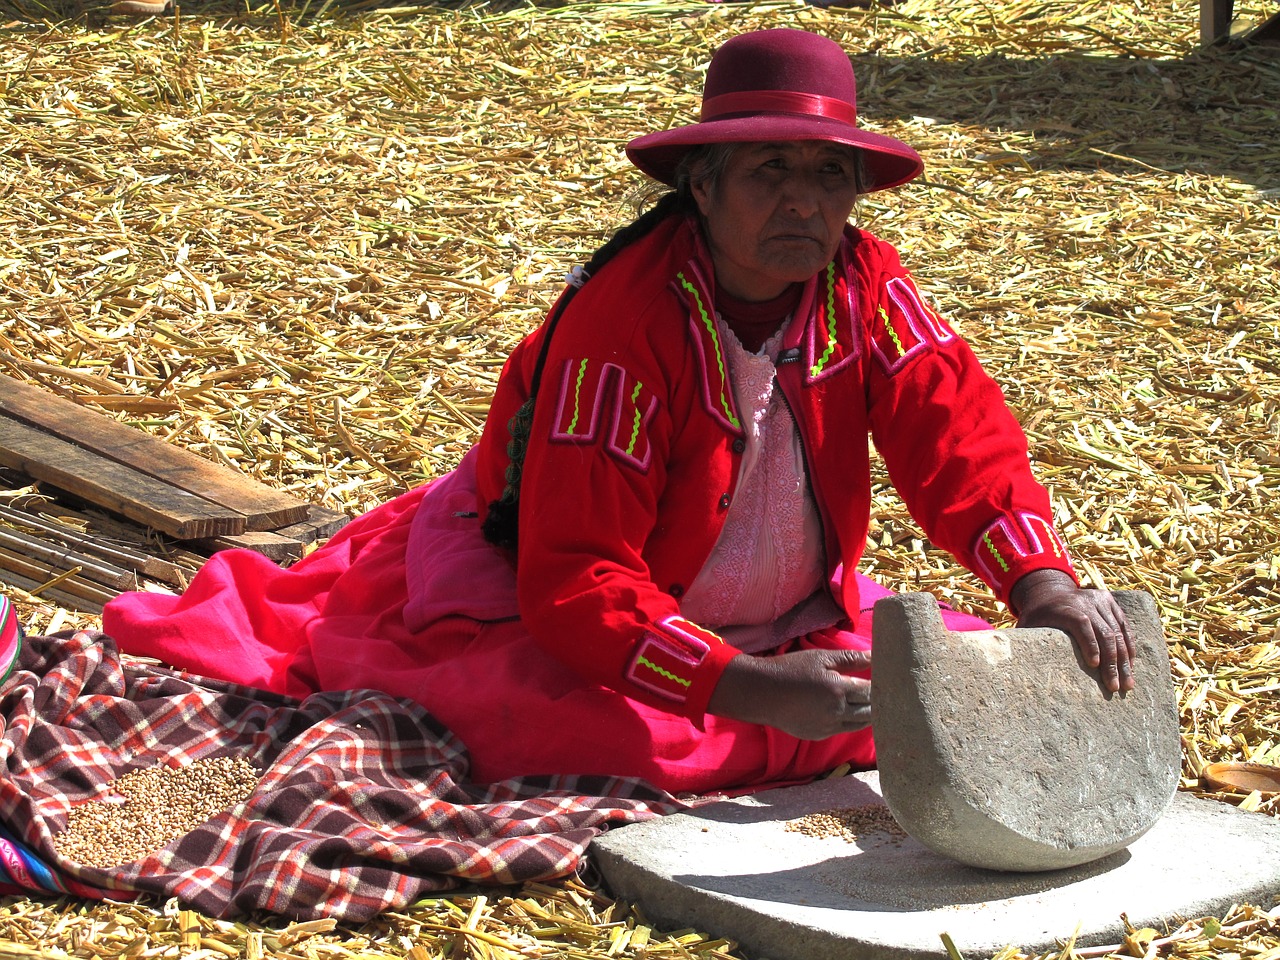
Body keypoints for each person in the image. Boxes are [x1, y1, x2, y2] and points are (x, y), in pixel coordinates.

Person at [101, 28, 1135, 797]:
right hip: (572, 596)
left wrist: (1037, 582)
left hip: (785, 613)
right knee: (555, 733)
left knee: (950, 675)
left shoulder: (861, 283)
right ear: (700, 183)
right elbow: (575, 575)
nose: (804, 204)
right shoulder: (623, 329)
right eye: (770, 171)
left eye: (830, 177)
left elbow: (952, 427)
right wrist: (743, 688)